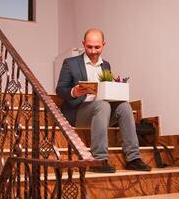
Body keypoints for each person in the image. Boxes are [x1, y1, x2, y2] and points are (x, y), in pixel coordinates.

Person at [56, 28, 151, 173]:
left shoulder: (106, 65)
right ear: (83, 44)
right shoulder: (70, 63)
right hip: (78, 111)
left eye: (97, 47)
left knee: (125, 106)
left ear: (104, 45)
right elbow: (60, 89)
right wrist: (73, 91)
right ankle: (98, 159)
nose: (93, 51)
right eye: (89, 47)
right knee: (103, 106)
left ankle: (133, 158)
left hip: (102, 111)